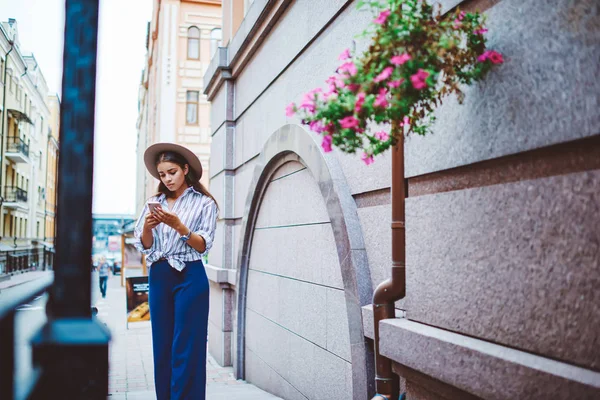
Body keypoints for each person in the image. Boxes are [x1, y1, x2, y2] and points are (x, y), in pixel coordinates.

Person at [133, 143, 218, 400]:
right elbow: (144, 244)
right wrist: (148, 227)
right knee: (162, 345)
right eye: (162, 174)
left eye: (172, 172)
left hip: (190, 275)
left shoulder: (205, 203)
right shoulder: (154, 203)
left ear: (185, 169)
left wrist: (180, 226)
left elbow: (203, 245)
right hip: (159, 275)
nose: (167, 179)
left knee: (187, 347)